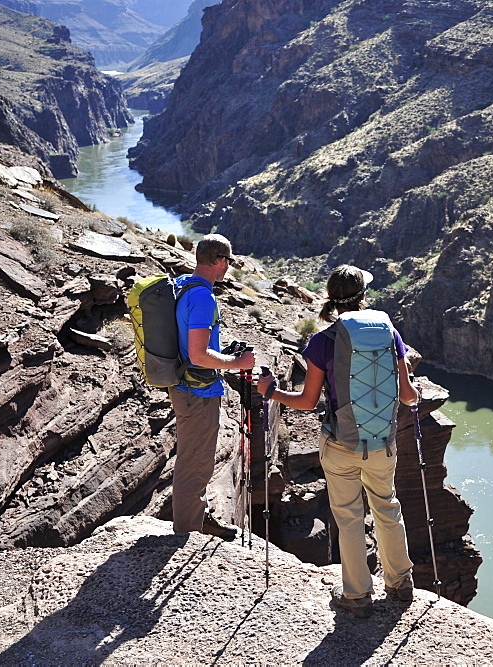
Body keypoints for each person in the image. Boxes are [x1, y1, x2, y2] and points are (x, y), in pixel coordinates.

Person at [257, 265, 419, 618]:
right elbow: (408, 396)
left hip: (340, 443)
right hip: (381, 442)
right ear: (364, 297)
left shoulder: (321, 342)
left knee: (349, 517)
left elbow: (307, 401)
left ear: (330, 300)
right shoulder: (388, 333)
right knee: (387, 508)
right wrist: (412, 392)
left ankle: (357, 595)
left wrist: (272, 392)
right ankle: (400, 583)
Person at [170, 234, 255, 536]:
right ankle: (188, 532)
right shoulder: (203, 297)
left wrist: (225, 355)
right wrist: (237, 364)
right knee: (194, 464)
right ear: (221, 261)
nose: (228, 267)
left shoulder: (183, 284)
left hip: (185, 386)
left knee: (197, 460)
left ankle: (198, 516)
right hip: (198, 391)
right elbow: (197, 354)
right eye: (228, 261)